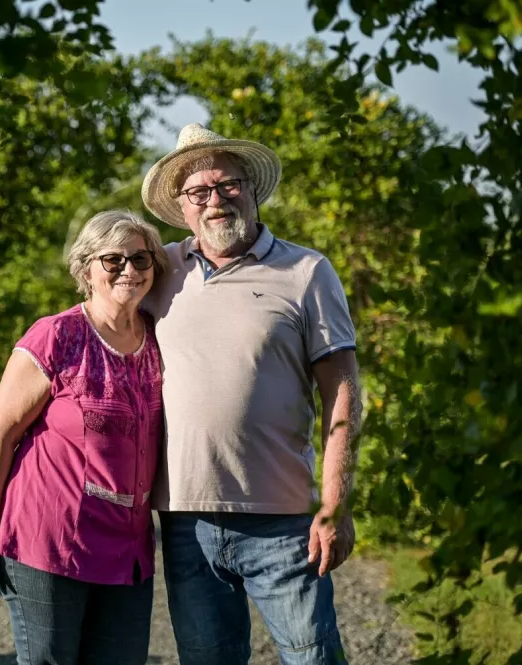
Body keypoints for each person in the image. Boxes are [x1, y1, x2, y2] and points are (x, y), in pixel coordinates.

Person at [140, 123, 362, 665]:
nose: (216, 200)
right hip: (185, 519)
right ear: (182, 205)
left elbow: (343, 391)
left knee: (314, 658)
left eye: (229, 184)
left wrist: (336, 503)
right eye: (199, 191)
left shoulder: (306, 270)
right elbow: (98, 312)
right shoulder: (159, 270)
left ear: (252, 190)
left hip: (284, 520)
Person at [0, 209, 169, 665]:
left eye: (140, 259)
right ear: (86, 269)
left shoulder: (159, 338)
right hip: (50, 539)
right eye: (112, 260)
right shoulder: (56, 335)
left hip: (127, 547)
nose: (129, 270)